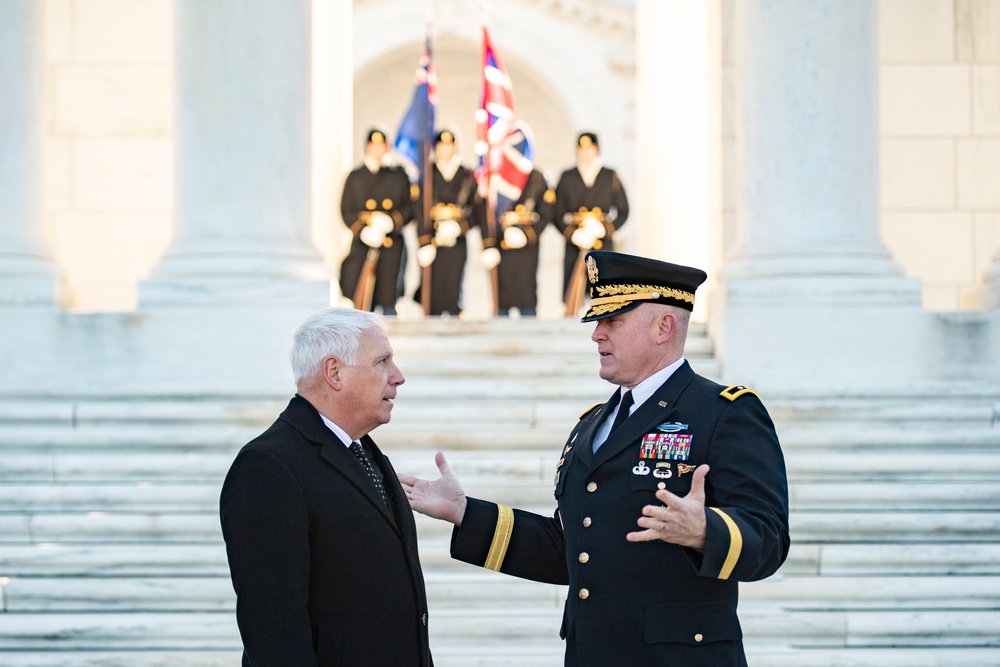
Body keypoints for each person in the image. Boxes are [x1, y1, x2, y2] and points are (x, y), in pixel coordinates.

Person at [399, 251, 789, 667]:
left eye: (613, 321)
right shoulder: (594, 424)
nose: (596, 335)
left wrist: (705, 531)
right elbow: (570, 548)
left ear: (664, 326)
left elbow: (768, 539)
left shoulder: (724, 412)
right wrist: (464, 513)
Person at [220, 307, 432, 666]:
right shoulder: (268, 467)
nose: (398, 377)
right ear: (334, 372)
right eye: (382, 362)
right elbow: (274, 633)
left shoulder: (361, 450)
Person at [339, 128, 415, 315]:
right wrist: (362, 231)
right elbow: (346, 210)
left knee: (389, 298)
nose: (377, 149)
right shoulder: (355, 176)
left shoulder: (398, 176)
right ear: (367, 146)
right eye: (373, 145)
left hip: (391, 246)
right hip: (362, 245)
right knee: (361, 300)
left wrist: (391, 222)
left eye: (381, 145)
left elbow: (410, 208)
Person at [554, 132, 630, 313]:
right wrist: (573, 234)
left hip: (602, 244)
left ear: (597, 149)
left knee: (603, 291)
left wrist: (604, 229)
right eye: (582, 149)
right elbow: (556, 213)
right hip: (575, 245)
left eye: (590, 149)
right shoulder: (567, 177)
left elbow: (624, 210)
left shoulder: (610, 175)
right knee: (575, 292)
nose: (586, 153)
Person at [413, 129, 481, 316]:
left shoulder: (467, 175)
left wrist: (460, 227)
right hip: (432, 244)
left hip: (457, 244)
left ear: (456, 147)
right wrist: (424, 241)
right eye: (441, 146)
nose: (445, 150)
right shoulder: (426, 175)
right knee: (432, 293)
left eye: (449, 145)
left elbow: (477, 211)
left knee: (454, 290)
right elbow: (418, 211)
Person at [479, 168, 556, 317]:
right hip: (501, 249)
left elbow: (547, 213)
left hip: (527, 253)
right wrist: (488, 244)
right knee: (501, 305)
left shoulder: (537, 178)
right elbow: (483, 211)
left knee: (527, 302)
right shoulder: (493, 173)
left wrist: (527, 235)